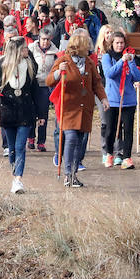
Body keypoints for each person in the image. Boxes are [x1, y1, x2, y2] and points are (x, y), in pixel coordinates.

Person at [46, 28, 105, 188]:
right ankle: (67, 174)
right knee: (71, 138)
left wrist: (103, 98)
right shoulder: (63, 60)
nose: (89, 48)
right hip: (68, 107)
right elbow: (49, 80)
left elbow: (97, 83)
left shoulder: (89, 62)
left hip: (84, 108)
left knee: (80, 142)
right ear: (79, 46)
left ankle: (73, 174)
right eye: (86, 45)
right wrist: (59, 72)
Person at [0, 34, 38, 193]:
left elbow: (36, 91)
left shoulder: (30, 65)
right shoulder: (1, 65)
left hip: (25, 111)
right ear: (17, 50)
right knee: (11, 148)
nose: (27, 49)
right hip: (8, 111)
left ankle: (18, 179)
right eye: (24, 47)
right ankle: (14, 175)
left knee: (20, 146)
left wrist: (42, 114)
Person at [98, 30, 140, 169]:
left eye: (122, 43)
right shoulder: (107, 57)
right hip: (112, 99)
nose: (120, 45)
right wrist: (121, 62)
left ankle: (127, 157)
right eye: (117, 43)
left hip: (128, 100)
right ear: (112, 44)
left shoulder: (130, 57)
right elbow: (109, 74)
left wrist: (131, 62)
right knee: (111, 128)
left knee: (128, 130)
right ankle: (109, 153)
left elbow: (137, 77)